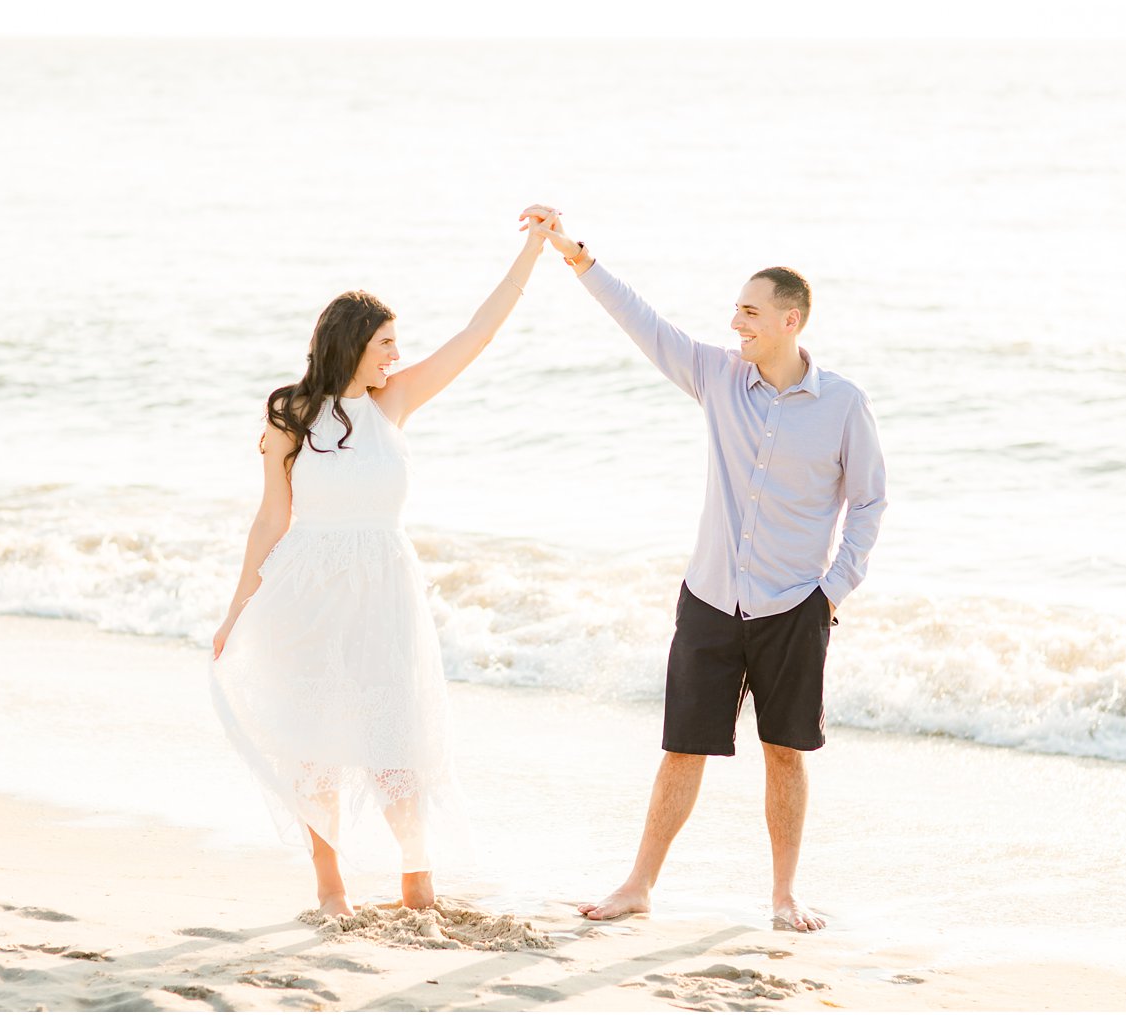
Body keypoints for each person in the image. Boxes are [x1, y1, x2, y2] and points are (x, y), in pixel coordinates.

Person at [523, 208, 886, 932]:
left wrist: (831, 593)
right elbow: (645, 322)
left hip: (794, 610)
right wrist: (577, 256)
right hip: (711, 601)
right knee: (681, 750)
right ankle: (638, 883)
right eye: (735, 311)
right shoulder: (717, 377)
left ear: (791, 321)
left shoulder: (844, 405)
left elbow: (869, 504)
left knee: (785, 754)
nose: (736, 324)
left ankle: (784, 895)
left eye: (750, 313)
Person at [208, 214, 548, 917]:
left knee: (396, 736)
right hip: (305, 591)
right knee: (315, 744)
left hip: (385, 589)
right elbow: (271, 519)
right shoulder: (292, 414)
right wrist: (238, 608)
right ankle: (330, 885)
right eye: (386, 342)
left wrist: (533, 250)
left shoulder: (394, 402)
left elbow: (476, 335)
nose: (396, 353)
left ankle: (416, 877)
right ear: (353, 345)